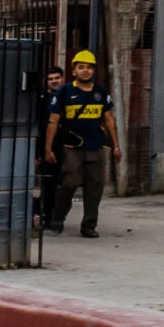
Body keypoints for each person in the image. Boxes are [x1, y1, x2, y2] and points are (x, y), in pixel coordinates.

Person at [43, 50, 120, 239]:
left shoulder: (101, 93)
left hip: (95, 148)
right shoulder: (65, 92)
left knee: (95, 189)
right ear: (74, 71)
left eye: (89, 67)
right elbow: (53, 121)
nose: (86, 71)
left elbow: (109, 120)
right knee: (69, 184)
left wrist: (116, 147)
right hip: (72, 148)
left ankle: (89, 226)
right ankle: (57, 219)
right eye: (81, 67)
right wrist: (48, 148)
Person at [35, 65, 65, 230]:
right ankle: (47, 217)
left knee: (63, 185)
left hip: (66, 148)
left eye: (57, 78)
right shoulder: (41, 101)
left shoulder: (68, 98)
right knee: (48, 185)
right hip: (47, 148)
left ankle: (57, 217)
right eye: (51, 79)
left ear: (62, 79)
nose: (54, 81)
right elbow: (38, 127)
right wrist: (38, 152)